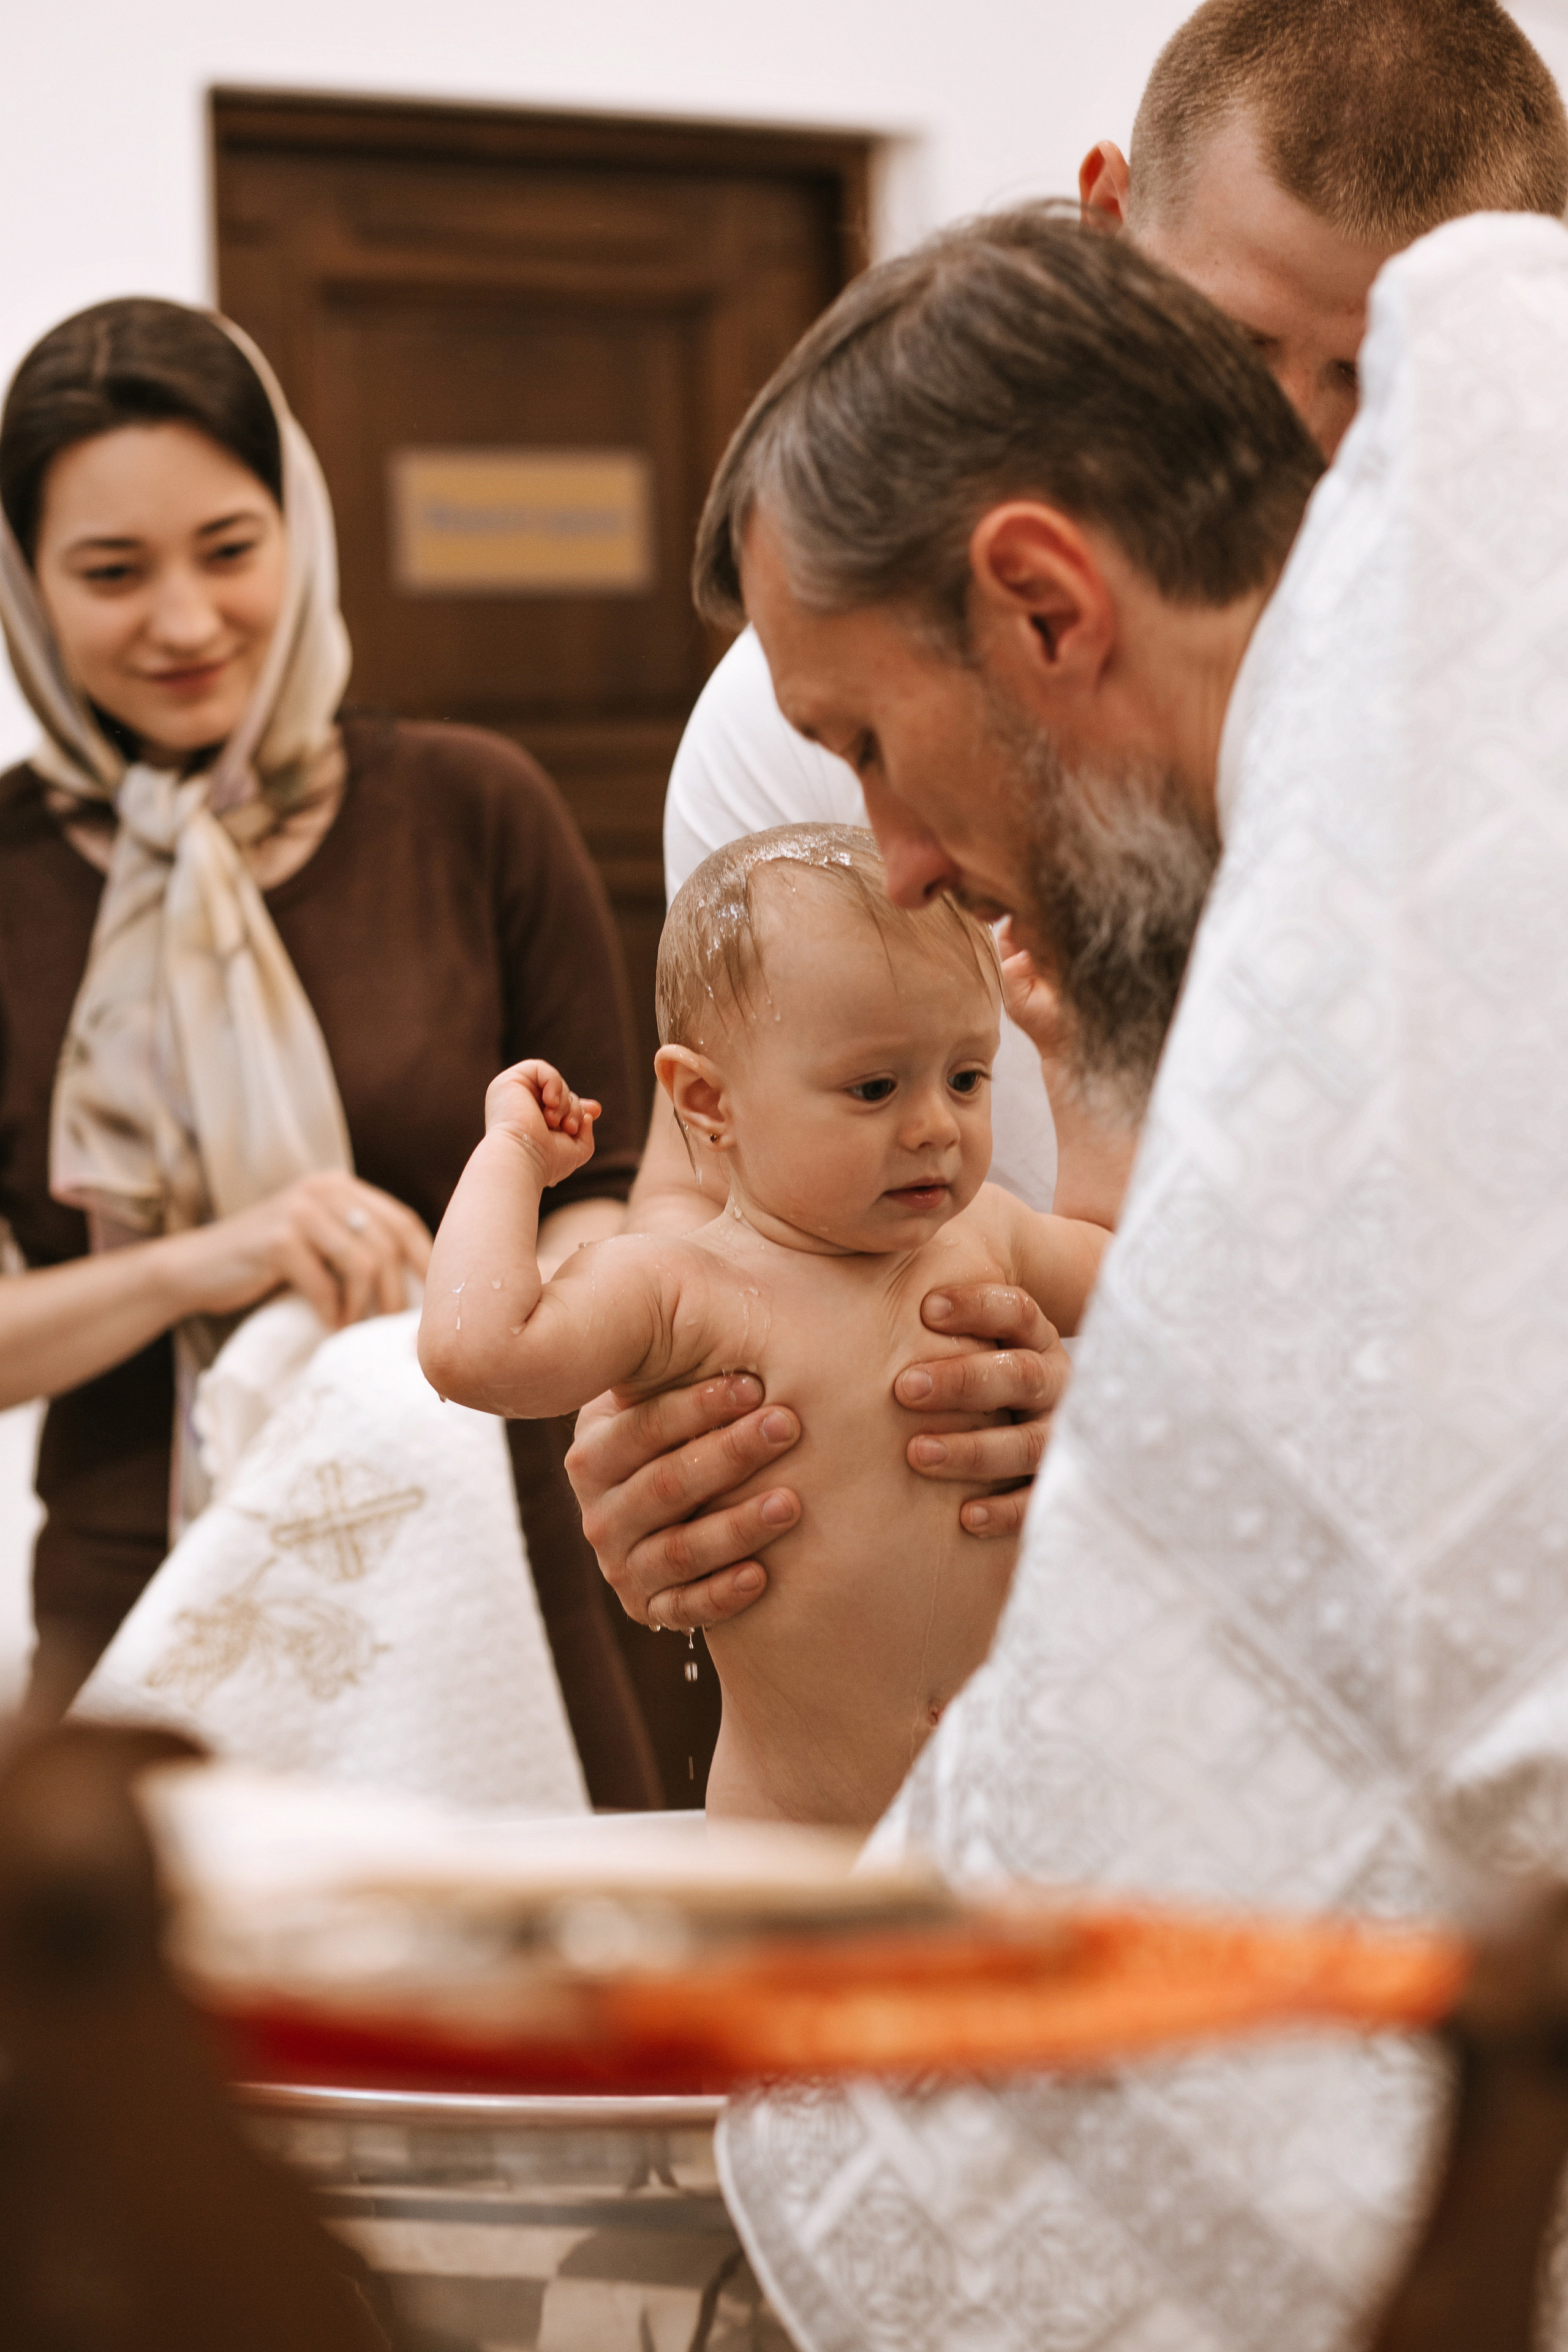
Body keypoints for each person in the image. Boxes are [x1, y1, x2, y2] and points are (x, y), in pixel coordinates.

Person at [682, 191, 1568, 2348]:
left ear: (1045, 604)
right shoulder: (1336, 819)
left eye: (874, 745)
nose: (887, 858)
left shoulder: (1400, 874)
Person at [568, 0, 1568, 1649]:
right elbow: (714, 1164)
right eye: (1238, 356)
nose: (1304, 452)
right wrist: (667, 1431)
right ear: (1114, 228)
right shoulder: (826, 699)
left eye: (1386, 378)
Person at [0, 298, 657, 1805]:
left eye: (229, 550)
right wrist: (218, 1257)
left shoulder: (470, 807)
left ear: (296, 527)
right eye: (110, 572)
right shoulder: (8, 876)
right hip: (135, 1598)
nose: (182, 621)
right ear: (27, 584)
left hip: (489, 1558)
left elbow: (612, 1195)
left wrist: (498, 1292)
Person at [420, 827, 1104, 1826]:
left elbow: (1144, 1281)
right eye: (876, 1088)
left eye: (967, 1077)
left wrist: (1076, 1066)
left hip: (1020, 1822)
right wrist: (512, 1154)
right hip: (793, 1835)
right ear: (708, 1102)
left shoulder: (989, 1238)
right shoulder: (678, 1290)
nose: (936, 1128)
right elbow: (475, 1351)